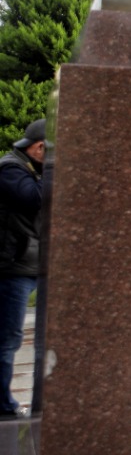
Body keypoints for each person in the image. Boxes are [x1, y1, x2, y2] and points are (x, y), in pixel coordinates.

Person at [0, 120, 45, 420]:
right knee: (8, 340)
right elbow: (37, 199)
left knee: (43, 339)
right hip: (13, 268)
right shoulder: (10, 168)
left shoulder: (31, 168)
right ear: (39, 147)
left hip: (35, 266)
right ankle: (3, 407)